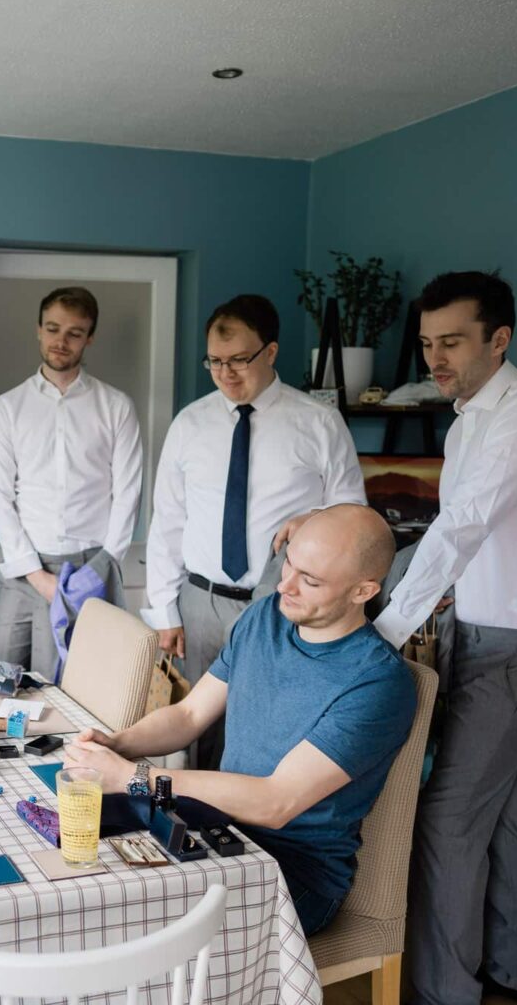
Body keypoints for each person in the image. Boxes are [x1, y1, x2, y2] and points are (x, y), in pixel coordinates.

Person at [279, 271, 517, 1004]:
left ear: (499, 338)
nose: (434, 359)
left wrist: (378, 631)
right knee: (506, 811)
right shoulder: (469, 414)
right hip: (471, 633)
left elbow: (464, 525)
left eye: (451, 342)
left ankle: (443, 993)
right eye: (426, 344)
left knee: (447, 820)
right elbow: (452, 540)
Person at [67, 505, 416, 934]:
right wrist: (118, 745)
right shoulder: (264, 617)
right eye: (289, 561)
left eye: (310, 580)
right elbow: (190, 714)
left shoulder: (376, 682)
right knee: (68, 860)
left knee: (130, 923)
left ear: (362, 592)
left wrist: (133, 777)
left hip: (291, 871)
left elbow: (275, 803)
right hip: (212, 827)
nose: (285, 585)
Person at [140, 294, 365, 767]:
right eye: (215, 362)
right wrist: (163, 609)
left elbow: (353, 514)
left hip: (280, 604)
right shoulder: (190, 423)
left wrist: (318, 518)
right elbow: (167, 519)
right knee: (192, 730)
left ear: (271, 352)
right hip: (199, 603)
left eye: (239, 359)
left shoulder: (318, 422)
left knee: (265, 732)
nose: (226, 374)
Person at [0, 285, 143, 676]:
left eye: (74, 332)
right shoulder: (9, 407)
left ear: (90, 337)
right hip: (23, 568)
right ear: (38, 329)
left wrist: (105, 563)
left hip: (89, 567)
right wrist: (37, 576)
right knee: (5, 679)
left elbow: (128, 492)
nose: (61, 341)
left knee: (78, 685)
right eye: (53, 329)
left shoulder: (116, 406)